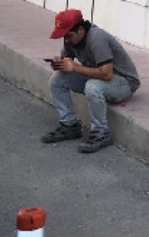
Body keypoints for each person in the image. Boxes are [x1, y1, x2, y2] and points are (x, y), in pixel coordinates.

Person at [41, 9, 141, 153]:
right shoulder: (71, 40)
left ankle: (101, 133)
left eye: (69, 36)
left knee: (92, 86)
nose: (66, 40)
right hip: (99, 77)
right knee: (57, 80)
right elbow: (68, 61)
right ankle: (69, 125)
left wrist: (75, 67)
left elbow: (107, 74)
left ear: (81, 30)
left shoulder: (97, 38)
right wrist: (60, 65)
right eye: (64, 37)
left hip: (124, 82)